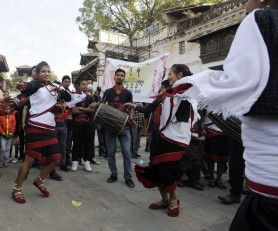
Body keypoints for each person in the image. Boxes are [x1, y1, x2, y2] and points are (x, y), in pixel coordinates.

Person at [158, 0, 278, 228]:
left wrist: (188, 84)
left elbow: (236, 81)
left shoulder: (261, 19)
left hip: (270, 186)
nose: (244, 6)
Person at [132, 64, 194, 217]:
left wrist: (166, 91)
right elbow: (149, 109)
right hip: (162, 136)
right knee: (156, 168)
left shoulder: (186, 91)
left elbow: (185, 86)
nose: (168, 77)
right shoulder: (166, 93)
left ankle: (174, 200)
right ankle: (164, 199)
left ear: (179, 75)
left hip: (176, 139)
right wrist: (134, 105)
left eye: (170, 74)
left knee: (167, 171)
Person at [12, 61, 71, 204]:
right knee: (29, 161)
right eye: (43, 71)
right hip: (34, 127)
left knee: (56, 159)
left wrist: (60, 91)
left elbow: (68, 99)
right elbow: (27, 88)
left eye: (48, 71)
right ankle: (17, 189)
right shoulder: (35, 85)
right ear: (37, 74)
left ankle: (39, 181)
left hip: (50, 128)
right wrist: (23, 86)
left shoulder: (54, 86)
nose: (46, 74)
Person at [101, 69, 135, 188]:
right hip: (110, 126)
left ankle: (128, 177)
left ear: (124, 78)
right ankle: (114, 174)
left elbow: (131, 108)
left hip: (124, 127)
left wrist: (130, 119)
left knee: (126, 152)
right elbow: (101, 105)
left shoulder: (128, 93)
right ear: (114, 77)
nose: (120, 77)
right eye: (118, 75)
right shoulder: (108, 92)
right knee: (110, 152)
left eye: (122, 75)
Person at [71, 78, 96, 172]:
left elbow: (92, 110)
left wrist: (80, 108)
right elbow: (73, 110)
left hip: (88, 124)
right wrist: (86, 109)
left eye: (86, 84)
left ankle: (87, 161)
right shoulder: (74, 97)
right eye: (83, 84)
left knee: (88, 144)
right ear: (79, 86)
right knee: (76, 143)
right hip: (77, 124)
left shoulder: (91, 97)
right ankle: (75, 161)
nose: (85, 85)